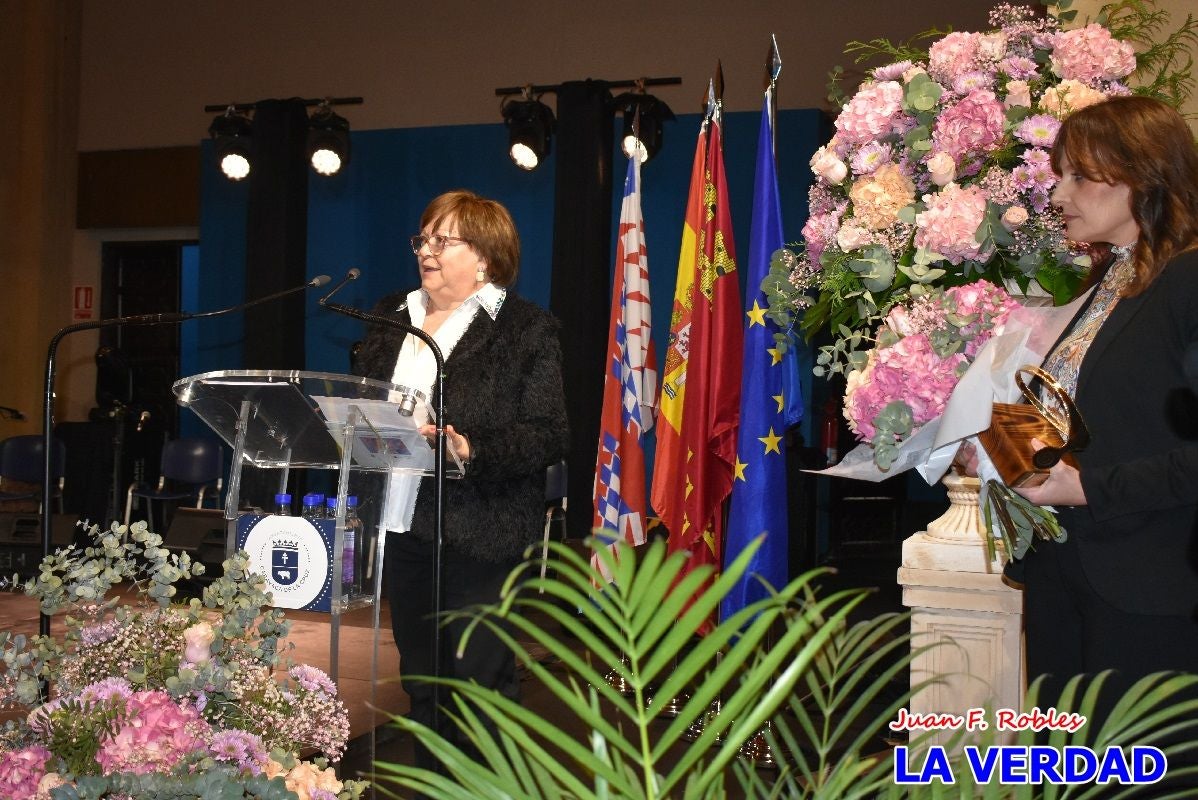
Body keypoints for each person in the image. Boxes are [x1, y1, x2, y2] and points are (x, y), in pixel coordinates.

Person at [353, 189, 569, 768]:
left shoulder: (525, 329)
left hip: (484, 528)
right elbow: (365, 402)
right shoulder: (389, 317)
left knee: (479, 681)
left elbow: (548, 432)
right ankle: (431, 782)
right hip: (405, 520)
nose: (426, 249)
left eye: (442, 239)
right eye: (422, 238)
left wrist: (472, 448)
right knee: (422, 679)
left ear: (485, 257)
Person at [1010, 96, 1198, 710]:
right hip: (1067, 573)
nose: (1059, 195)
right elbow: (1096, 417)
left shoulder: (1188, 281)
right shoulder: (1109, 280)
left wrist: (1090, 488)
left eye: (1081, 177)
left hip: (1150, 586)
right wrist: (995, 447)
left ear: (1146, 177)